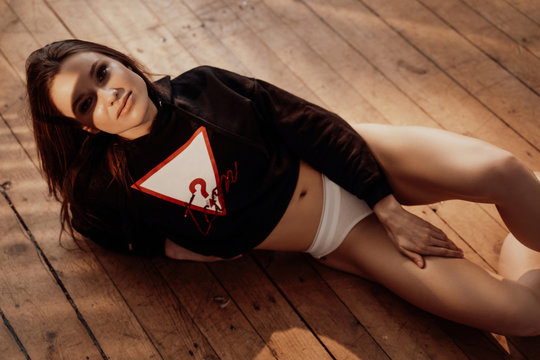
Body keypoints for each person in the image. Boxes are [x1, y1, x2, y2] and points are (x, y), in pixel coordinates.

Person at [26, 39, 540, 337]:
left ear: (121, 61)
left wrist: (387, 205)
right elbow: (96, 226)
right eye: (86, 102)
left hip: (351, 160)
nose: (109, 93)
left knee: (503, 172)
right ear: (84, 127)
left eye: (102, 71)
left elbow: (311, 124)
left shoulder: (205, 86)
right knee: (524, 316)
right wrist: (167, 247)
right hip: (339, 232)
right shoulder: (114, 188)